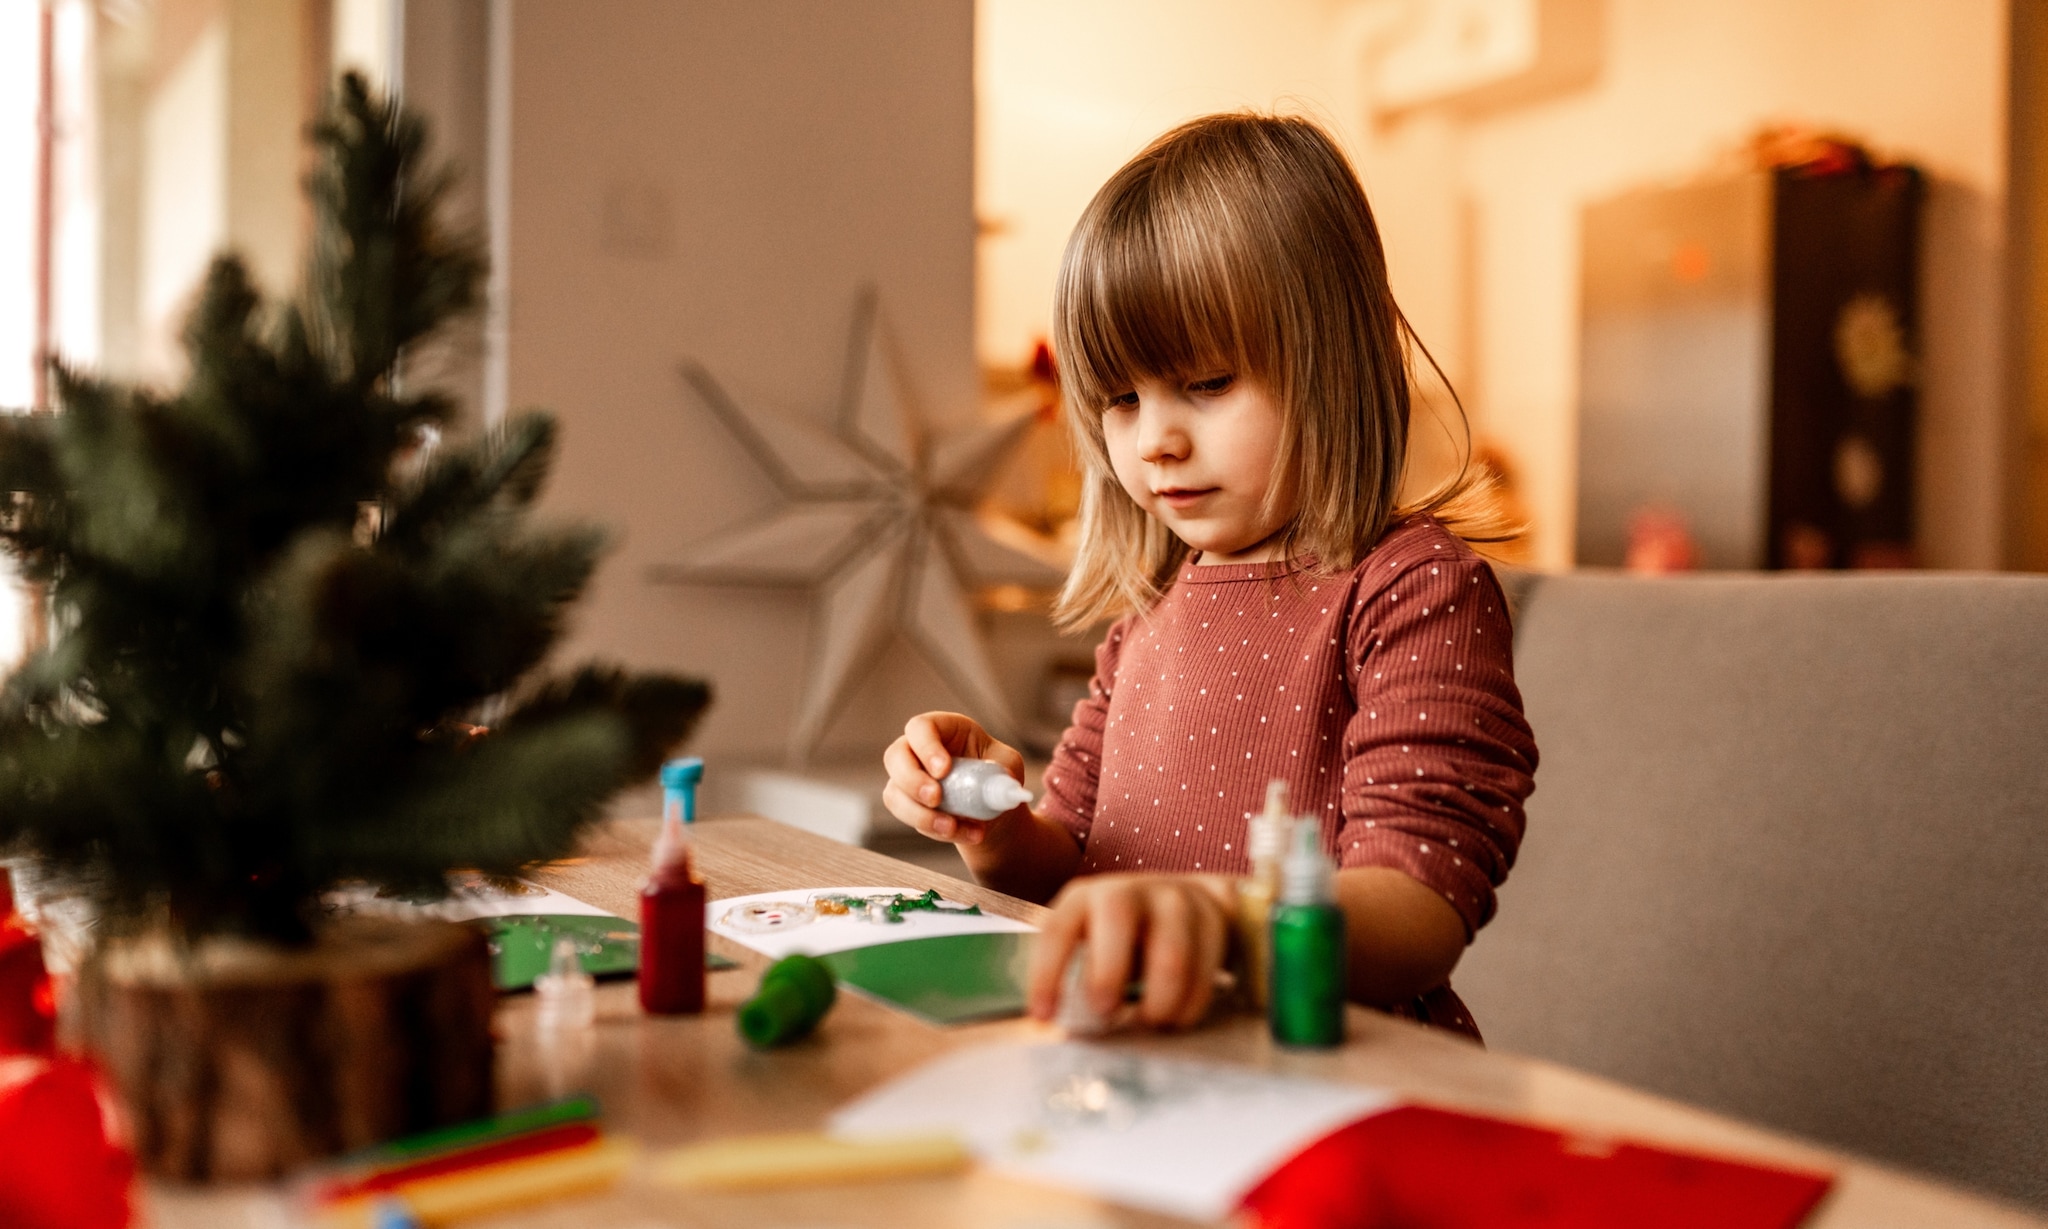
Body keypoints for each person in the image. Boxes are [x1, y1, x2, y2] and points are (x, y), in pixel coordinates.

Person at [881, 114, 1537, 1041]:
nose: (1155, 440)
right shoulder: (1149, 616)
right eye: (1120, 398)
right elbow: (1070, 865)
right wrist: (992, 823)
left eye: (1209, 381)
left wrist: (1220, 923)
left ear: (1334, 359)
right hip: (1144, 1053)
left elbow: (1420, 908)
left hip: (1324, 1064)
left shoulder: (1412, 589)